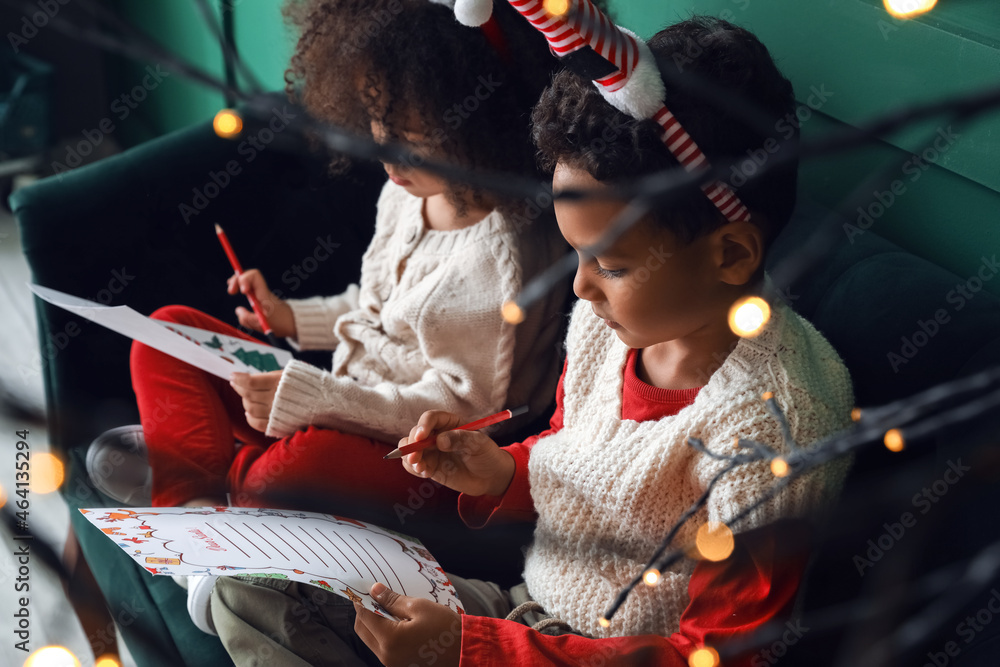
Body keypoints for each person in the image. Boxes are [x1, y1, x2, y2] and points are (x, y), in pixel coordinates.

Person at [210, 14, 854, 666]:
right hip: (524, 612)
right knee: (249, 580)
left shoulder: (776, 423)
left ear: (731, 254)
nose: (581, 288)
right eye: (578, 254)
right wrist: (502, 470)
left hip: (582, 650)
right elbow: (577, 451)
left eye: (613, 263)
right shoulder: (617, 326)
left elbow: (714, 656)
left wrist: (471, 648)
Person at [87, 0, 571, 635]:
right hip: (339, 403)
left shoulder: (501, 256)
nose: (384, 153)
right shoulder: (405, 193)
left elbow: (458, 413)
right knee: (168, 332)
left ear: (482, 131)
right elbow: (372, 306)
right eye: (375, 121)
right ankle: (197, 522)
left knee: (294, 470)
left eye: (412, 141)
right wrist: (291, 320)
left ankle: (208, 472)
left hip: (422, 462)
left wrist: (311, 400)